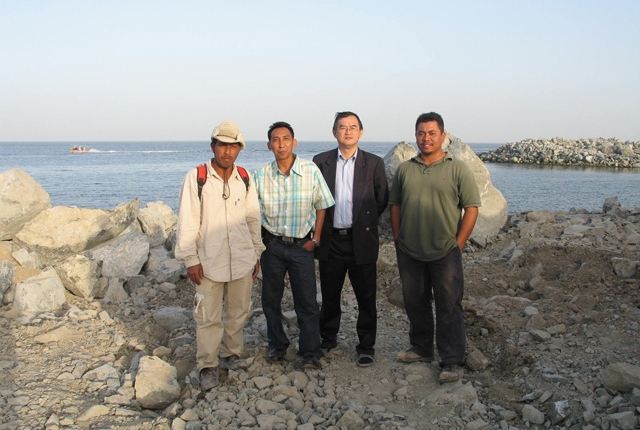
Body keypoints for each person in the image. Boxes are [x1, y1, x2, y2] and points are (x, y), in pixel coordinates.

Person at [389, 112, 481, 383]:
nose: (425, 138)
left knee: (449, 305)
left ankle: (451, 360)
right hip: (410, 251)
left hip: (445, 251)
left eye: (431, 133)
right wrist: (398, 239)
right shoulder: (405, 170)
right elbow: (395, 205)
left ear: (443, 136)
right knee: (415, 302)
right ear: (415, 136)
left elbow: (472, 208)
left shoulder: (457, 168)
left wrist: (458, 244)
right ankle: (421, 348)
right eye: (421, 133)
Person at [175, 121, 265, 391]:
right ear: (213, 146)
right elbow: (188, 221)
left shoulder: (244, 178)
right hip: (207, 262)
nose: (227, 151)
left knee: (239, 312)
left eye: (233, 146)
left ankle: (232, 353)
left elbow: (253, 217)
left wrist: (256, 252)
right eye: (222, 145)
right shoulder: (197, 177)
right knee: (207, 316)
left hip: (242, 259)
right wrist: (190, 259)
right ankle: (207, 364)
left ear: (240, 149)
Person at [253, 121, 335, 370]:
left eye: (286, 138)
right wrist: (257, 247)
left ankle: (310, 352)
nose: (281, 144)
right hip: (272, 246)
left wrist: (315, 239)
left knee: (307, 301)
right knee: (271, 300)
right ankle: (277, 345)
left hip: (302, 246)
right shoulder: (261, 175)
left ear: (294, 142)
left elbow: (322, 205)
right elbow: (251, 213)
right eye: (276, 140)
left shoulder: (310, 170)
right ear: (269, 145)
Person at [313, 111, 389, 367]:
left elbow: (381, 199)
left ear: (361, 132)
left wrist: (363, 223)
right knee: (330, 294)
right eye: (342, 127)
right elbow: (315, 199)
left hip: (361, 239)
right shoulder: (320, 161)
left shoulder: (374, 163)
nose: (348, 131)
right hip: (331, 239)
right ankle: (328, 338)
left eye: (353, 127)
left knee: (366, 297)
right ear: (334, 132)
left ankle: (366, 346)